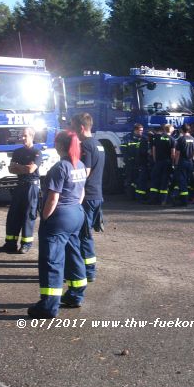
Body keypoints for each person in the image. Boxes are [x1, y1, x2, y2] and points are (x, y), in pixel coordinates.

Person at [27, 130, 87, 319]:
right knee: (74, 254)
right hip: (76, 214)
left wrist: (45, 218)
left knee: (51, 261)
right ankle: (76, 295)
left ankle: (48, 306)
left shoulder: (59, 168)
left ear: (60, 145)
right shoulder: (79, 165)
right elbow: (82, 193)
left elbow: (52, 198)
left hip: (59, 217)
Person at [71, 113, 105, 283]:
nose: (72, 131)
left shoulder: (85, 146)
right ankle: (86, 267)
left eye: (73, 127)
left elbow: (85, 172)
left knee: (84, 235)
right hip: (97, 195)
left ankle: (89, 270)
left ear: (81, 128)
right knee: (86, 233)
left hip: (87, 195)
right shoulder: (99, 144)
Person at [0, 127, 42, 254]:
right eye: (22, 136)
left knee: (28, 215)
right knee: (13, 215)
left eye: (25, 136)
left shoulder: (37, 152)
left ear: (31, 137)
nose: (22, 138)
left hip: (31, 186)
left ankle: (26, 244)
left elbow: (31, 170)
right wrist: (22, 167)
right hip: (19, 185)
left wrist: (19, 167)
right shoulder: (17, 152)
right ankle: (10, 244)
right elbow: (11, 169)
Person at [149, 124, 175, 205]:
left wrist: (155, 160)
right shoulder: (172, 139)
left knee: (155, 180)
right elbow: (173, 154)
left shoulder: (157, 138)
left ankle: (153, 199)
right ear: (171, 130)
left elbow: (153, 151)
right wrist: (173, 163)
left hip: (158, 162)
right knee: (165, 181)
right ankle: (163, 200)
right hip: (167, 163)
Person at [173, 124, 194, 206]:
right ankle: (187, 198)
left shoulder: (181, 139)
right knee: (187, 180)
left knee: (182, 181)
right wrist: (191, 160)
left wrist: (175, 163)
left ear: (182, 130)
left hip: (182, 162)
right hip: (190, 162)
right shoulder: (193, 139)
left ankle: (184, 201)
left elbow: (177, 153)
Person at [121, 123, 143, 199]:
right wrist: (129, 158)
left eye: (142, 131)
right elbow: (123, 149)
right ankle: (130, 195)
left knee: (138, 178)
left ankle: (136, 195)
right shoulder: (127, 138)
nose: (141, 132)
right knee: (130, 178)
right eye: (140, 130)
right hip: (130, 162)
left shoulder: (142, 138)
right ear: (135, 130)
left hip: (138, 162)